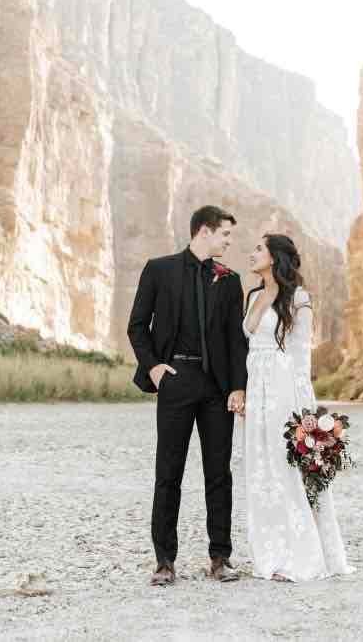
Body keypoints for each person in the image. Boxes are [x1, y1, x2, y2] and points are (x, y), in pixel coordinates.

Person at [127, 205, 248, 586]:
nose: (229, 242)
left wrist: (238, 386)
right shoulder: (158, 269)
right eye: (225, 234)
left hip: (216, 387)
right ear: (205, 231)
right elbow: (136, 326)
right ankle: (164, 561)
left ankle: (220, 557)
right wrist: (155, 368)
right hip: (176, 380)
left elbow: (235, 340)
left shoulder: (229, 280)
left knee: (219, 472)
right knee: (169, 472)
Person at [240, 233, 354, 581]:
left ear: (274, 257)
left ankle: (301, 556)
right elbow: (249, 340)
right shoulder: (254, 295)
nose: (252, 252)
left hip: (284, 391)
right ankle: (272, 552)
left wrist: (307, 413)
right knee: (262, 470)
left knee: (286, 468)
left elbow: (301, 356)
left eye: (259, 248)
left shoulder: (299, 298)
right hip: (256, 390)